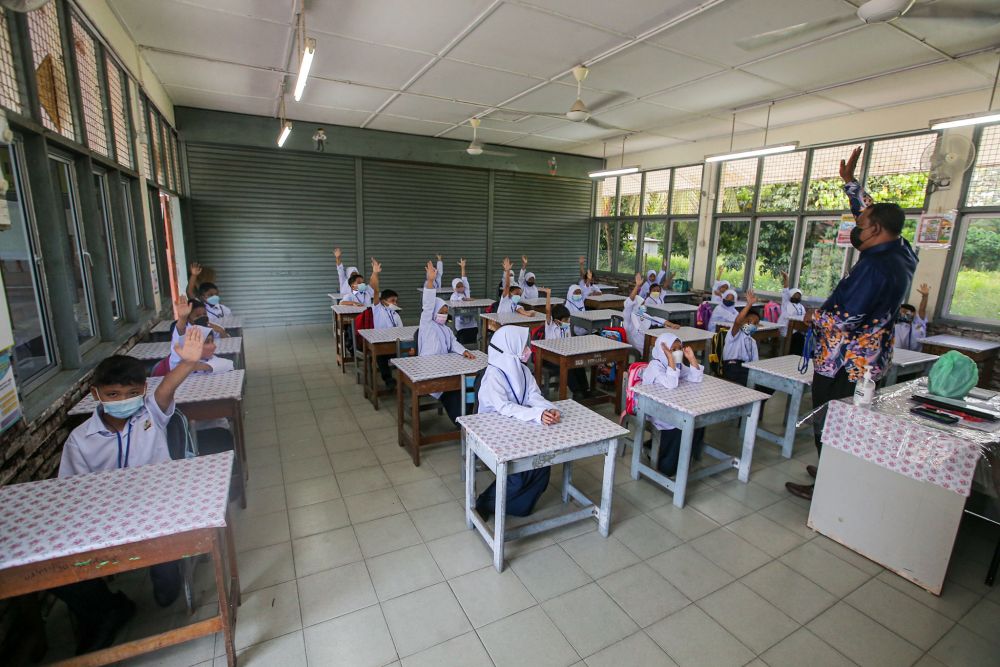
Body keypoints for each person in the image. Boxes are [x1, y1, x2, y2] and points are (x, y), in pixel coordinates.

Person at [54, 328, 207, 654]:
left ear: (143, 391)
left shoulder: (150, 414)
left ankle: (164, 569)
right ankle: (108, 608)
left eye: (131, 393)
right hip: (103, 517)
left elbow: (166, 389)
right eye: (112, 394)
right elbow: (71, 493)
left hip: (158, 509)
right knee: (60, 568)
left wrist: (187, 363)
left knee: (166, 588)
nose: (122, 401)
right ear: (95, 394)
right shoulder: (80, 440)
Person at [787, 147, 917, 501]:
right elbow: (872, 212)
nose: (857, 227)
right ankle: (831, 468)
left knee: (830, 419)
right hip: (871, 359)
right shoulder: (902, 250)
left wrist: (813, 316)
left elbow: (844, 319)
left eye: (861, 225)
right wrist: (851, 184)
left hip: (845, 362)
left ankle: (828, 486)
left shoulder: (874, 268)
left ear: (875, 230)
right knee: (846, 421)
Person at [474, 326, 561, 519]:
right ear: (510, 348)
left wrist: (547, 409)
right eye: (523, 347)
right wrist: (536, 415)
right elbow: (504, 407)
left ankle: (518, 505)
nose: (528, 350)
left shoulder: (522, 370)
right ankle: (484, 502)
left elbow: (533, 395)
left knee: (543, 463)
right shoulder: (493, 375)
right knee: (519, 474)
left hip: (518, 424)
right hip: (493, 429)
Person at [420, 261, 477, 423]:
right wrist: (430, 281)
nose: (444, 315)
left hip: (445, 365)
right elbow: (428, 305)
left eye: (446, 313)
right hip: (430, 368)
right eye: (441, 312)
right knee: (451, 392)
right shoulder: (427, 324)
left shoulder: (446, 329)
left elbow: (453, 343)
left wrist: (463, 351)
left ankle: (469, 419)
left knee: (464, 387)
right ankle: (461, 422)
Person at [641, 333, 705, 477]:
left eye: (679, 348)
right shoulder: (655, 366)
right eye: (672, 349)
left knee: (698, 421)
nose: (677, 352)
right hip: (656, 411)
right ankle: (666, 464)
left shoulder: (677, 364)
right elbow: (671, 384)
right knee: (681, 425)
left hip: (673, 406)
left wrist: (692, 359)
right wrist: (670, 359)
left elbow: (695, 378)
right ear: (662, 350)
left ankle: (684, 458)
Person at [541, 286, 588, 396]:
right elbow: (548, 311)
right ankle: (576, 391)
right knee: (568, 366)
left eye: (568, 319)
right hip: (550, 357)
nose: (568, 321)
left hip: (563, 355)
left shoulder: (566, 327)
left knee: (578, 364)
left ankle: (585, 389)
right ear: (557, 320)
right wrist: (548, 294)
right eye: (566, 320)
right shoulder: (550, 326)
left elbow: (569, 342)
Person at [624, 273, 679, 354]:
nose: (643, 307)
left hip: (645, 341)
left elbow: (657, 320)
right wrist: (637, 286)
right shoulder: (629, 316)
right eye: (641, 305)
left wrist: (672, 324)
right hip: (637, 345)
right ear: (636, 306)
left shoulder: (642, 315)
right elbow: (629, 303)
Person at [721, 291, 762, 387]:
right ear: (743, 321)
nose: (752, 324)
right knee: (750, 382)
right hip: (731, 366)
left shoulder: (752, 342)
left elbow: (755, 363)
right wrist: (749, 304)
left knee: (767, 385)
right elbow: (737, 321)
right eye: (749, 321)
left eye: (756, 323)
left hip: (745, 368)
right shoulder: (735, 334)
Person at [450, 258, 479, 346]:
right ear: (454, 288)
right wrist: (467, 299)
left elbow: (464, 279)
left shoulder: (466, 292)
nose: (461, 288)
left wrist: (463, 267)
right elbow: (461, 299)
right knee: (462, 342)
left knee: (473, 339)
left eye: (461, 286)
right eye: (458, 287)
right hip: (461, 325)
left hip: (472, 324)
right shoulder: (454, 296)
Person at [895, 283, 930, 351]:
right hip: (898, 351)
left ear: (914, 313)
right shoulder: (898, 325)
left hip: (915, 352)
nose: (902, 314)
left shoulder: (919, 322)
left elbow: (922, 309)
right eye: (900, 312)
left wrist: (925, 296)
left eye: (905, 311)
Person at [778, 271, 807, 337]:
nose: (797, 297)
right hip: (787, 329)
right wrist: (786, 278)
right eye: (795, 295)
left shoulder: (801, 306)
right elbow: (785, 291)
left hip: (798, 329)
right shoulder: (786, 303)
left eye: (799, 296)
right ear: (791, 296)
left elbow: (805, 317)